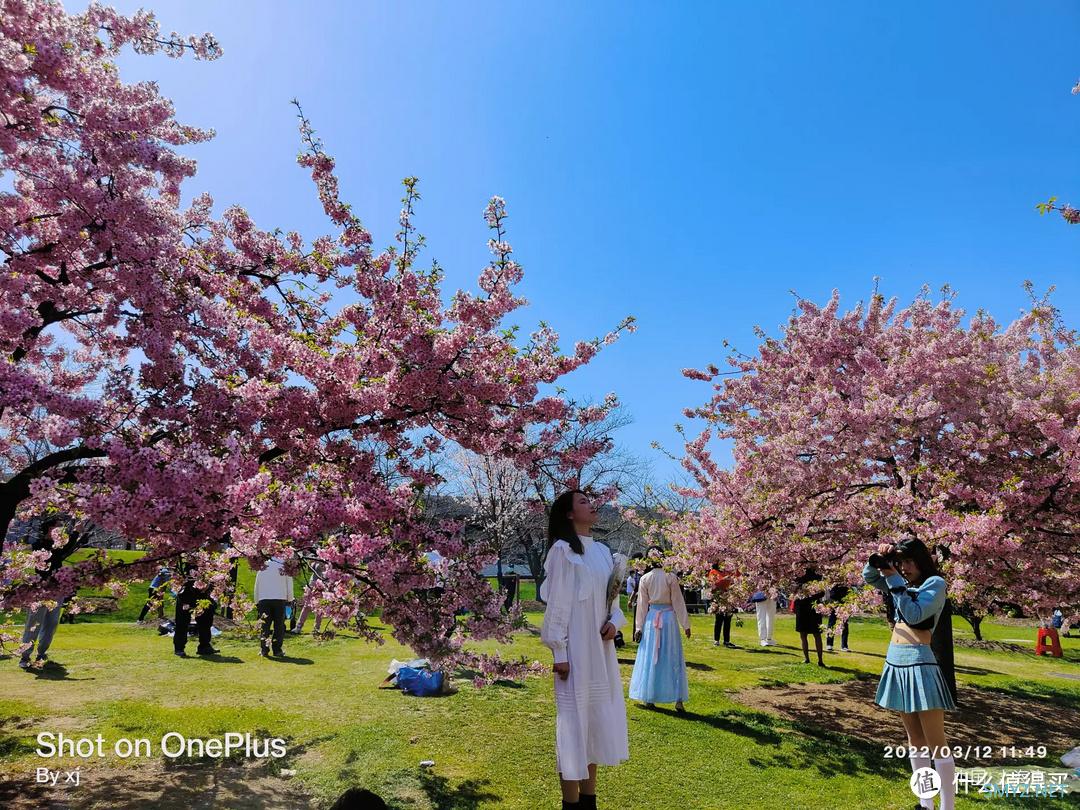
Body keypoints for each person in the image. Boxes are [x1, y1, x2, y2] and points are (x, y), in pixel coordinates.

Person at [540, 490, 628, 810]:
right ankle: (571, 803)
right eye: (582, 501)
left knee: (595, 724)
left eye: (590, 500)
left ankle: (590, 800)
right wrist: (559, 653)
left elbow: (613, 603)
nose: (591, 504)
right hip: (575, 653)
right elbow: (558, 606)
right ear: (568, 514)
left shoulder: (604, 552)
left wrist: (615, 623)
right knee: (574, 727)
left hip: (600, 653)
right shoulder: (564, 551)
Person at [863, 538, 957, 810]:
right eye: (900, 561)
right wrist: (880, 556)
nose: (904, 567)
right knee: (914, 740)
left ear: (921, 559)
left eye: (908, 560)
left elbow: (915, 615)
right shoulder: (899, 582)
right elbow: (868, 576)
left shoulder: (935, 584)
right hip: (896, 663)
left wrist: (893, 579)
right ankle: (925, 803)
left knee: (936, 742)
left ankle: (947, 807)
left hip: (920, 664)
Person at [629, 547, 691, 711]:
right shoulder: (670, 577)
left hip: (652, 619)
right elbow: (678, 602)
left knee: (651, 657)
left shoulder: (645, 578)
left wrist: (638, 627)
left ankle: (649, 696)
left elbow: (642, 606)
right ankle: (677, 700)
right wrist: (685, 624)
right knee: (672, 655)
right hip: (668, 619)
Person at [174, 561, 218, 658]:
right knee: (182, 622)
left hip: (204, 595)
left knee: (206, 621)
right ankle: (179, 648)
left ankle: (204, 646)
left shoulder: (212, 561)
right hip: (186, 594)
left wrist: (208, 587)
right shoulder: (187, 560)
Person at [254, 556, 293, 657]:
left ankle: (264, 650)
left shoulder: (263, 565)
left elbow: (257, 584)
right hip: (279, 598)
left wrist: (256, 600)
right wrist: (290, 598)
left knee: (265, 626)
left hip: (264, 599)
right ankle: (277, 650)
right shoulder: (284, 565)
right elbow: (289, 583)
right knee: (279, 625)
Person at [793, 569, 825, 666]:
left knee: (807, 634)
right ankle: (818, 660)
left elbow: (794, 591)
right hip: (810, 606)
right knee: (815, 634)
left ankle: (809, 659)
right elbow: (822, 593)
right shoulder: (817, 575)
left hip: (806, 606)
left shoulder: (798, 575)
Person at [707, 565, 736, 648]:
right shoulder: (713, 572)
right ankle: (716, 640)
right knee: (719, 619)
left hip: (728, 596)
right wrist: (723, 579)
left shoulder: (728, 571)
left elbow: (735, 577)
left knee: (728, 619)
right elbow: (713, 583)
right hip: (718, 597)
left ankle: (726, 640)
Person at [824, 583, 851, 652]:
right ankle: (829, 644)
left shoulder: (846, 581)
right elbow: (829, 589)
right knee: (831, 624)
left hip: (844, 602)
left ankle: (844, 646)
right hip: (834, 601)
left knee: (844, 624)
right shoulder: (834, 580)